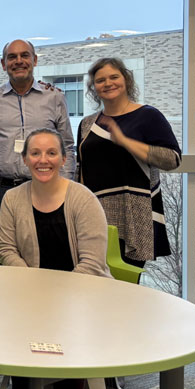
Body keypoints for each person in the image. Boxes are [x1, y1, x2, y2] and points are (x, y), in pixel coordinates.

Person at [0, 128, 111, 389]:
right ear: (24, 159)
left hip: (81, 296)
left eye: (50, 153)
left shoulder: (83, 199)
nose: (42, 160)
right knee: (18, 330)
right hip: (29, 293)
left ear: (63, 158)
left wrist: (59, 300)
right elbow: (7, 251)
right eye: (35, 153)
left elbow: (92, 263)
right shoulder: (13, 198)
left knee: (67, 334)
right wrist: (35, 291)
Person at [77, 57, 181, 268]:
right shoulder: (87, 124)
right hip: (95, 213)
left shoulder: (148, 116)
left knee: (126, 283)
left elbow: (173, 159)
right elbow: (81, 171)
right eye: (100, 80)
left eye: (114, 77)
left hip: (133, 212)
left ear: (126, 80)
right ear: (93, 87)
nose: (108, 83)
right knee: (92, 281)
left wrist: (125, 142)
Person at [0, 39, 75, 230]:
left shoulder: (54, 98)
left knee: (45, 250)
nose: (18, 61)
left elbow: (66, 145)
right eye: (12, 57)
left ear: (34, 60)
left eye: (24, 55)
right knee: (4, 251)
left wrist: (66, 186)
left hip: (45, 188)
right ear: (3, 64)